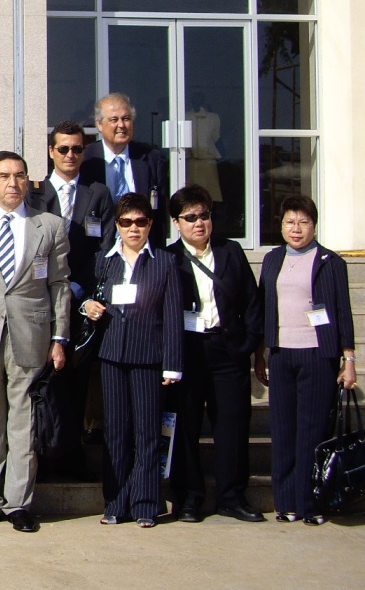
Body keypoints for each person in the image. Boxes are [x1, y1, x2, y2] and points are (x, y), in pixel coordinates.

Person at [0, 151, 70, 533]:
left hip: (32, 335)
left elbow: (59, 284)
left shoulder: (50, 226)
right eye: (5, 176)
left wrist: (59, 337)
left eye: (20, 175)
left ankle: (18, 503)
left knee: (24, 421)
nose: (13, 183)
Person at [255, 195, 357, 525]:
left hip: (317, 354)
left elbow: (343, 312)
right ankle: (286, 503)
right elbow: (263, 309)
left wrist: (349, 359)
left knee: (311, 433)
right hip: (281, 354)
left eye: (303, 222)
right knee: (283, 431)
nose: (296, 229)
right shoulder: (272, 259)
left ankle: (310, 504)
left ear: (314, 225)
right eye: (290, 222)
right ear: (281, 225)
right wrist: (260, 353)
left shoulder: (330, 261)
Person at [82, 193, 182, 527]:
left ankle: (146, 503)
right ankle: (115, 503)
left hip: (148, 357)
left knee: (147, 433)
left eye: (140, 222)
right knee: (115, 432)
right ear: (118, 226)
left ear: (150, 224)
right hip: (112, 355)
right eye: (126, 223)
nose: (133, 229)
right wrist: (87, 306)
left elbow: (172, 316)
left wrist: (172, 363)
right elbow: (90, 295)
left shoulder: (164, 262)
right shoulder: (105, 260)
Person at [165, 184, 264, 523]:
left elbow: (252, 301)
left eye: (204, 215)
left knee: (232, 426)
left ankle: (232, 497)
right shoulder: (168, 258)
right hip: (187, 353)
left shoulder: (230, 251)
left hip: (227, 350)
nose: (199, 223)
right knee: (185, 427)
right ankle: (189, 498)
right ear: (176, 223)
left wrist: (246, 345)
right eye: (190, 217)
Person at [26, 120, 115, 469]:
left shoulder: (98, 193)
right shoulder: (34, 193)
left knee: (76, 380)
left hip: (81, 303)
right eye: (63, 148)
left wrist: (81, 292)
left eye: (77, 149)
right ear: (51, 151)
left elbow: (104, 251)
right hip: (38, 300)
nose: (70, 155)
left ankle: (72, 454)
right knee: (42, 380)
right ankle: (43, 454)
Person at [80, 93, 170, 246]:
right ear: (99, 125)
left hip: (141, 247)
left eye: (126, 119)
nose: (121, 125)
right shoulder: (85, 159)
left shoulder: (151, 159)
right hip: (97, 248)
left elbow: (160, 214)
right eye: (114, 119)